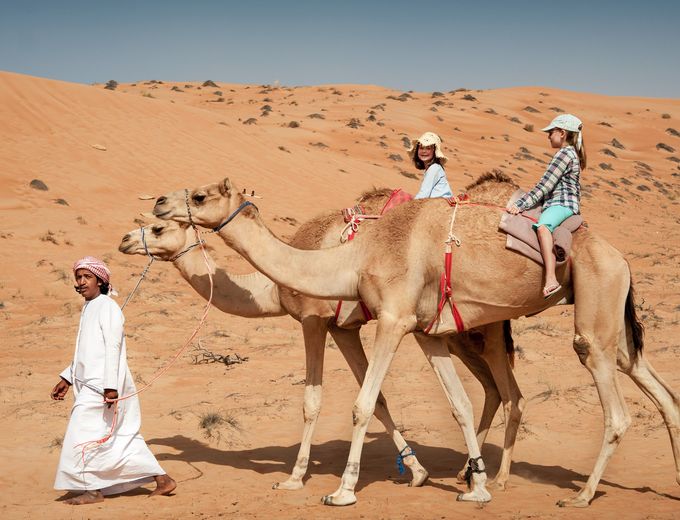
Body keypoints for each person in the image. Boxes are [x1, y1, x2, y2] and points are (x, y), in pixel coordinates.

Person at [51, 256, 176, 505]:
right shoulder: (90, 306)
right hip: (88, 383)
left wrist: (110, 387)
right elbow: (86, 350)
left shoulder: (108, 307)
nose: (82, 281)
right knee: (116, 436)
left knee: (81, 434)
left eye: (88, 276)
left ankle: (93, 490)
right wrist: (66, 377)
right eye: (79, 277)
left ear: (100, 280)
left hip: (102, 387)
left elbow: (112, 348)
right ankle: (162, 479)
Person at [508, 114, 587, 298]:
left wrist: (520, 205)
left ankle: (551, 279)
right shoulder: (570, 153)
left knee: (543, 227)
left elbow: (545, 185)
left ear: (562, 132)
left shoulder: (565, 154)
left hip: (561, 204)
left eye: (551, 132)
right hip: (561, 204)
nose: (548, 136)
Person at [408, 131, 453, 199]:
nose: (424, 151)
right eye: (421, 148)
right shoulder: (431, 168)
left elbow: (424, 194)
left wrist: (409, 205)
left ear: (434, 151)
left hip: (439, 204)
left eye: (428, 148)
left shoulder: (434, 168)